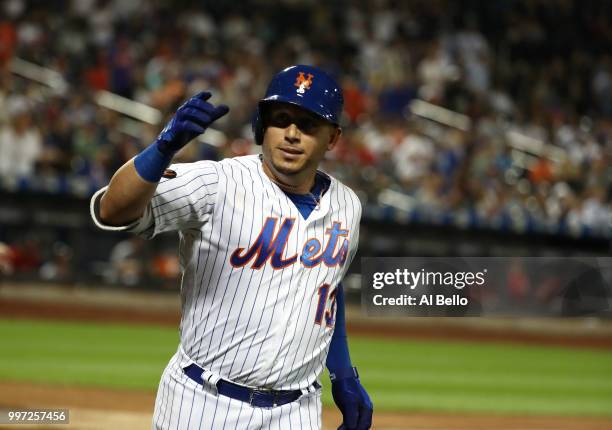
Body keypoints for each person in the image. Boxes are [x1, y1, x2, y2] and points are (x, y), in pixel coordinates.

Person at [90, 64, 373, 429]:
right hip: (203, 403)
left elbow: (326, 291)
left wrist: (343, 376)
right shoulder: (216, 183)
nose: (291, 134)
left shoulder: (348, 205)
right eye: (281, 119)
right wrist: (162, 149)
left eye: (307, 125)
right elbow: (113, 209)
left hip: (297, 411)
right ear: (261, 126)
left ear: (332, 138)